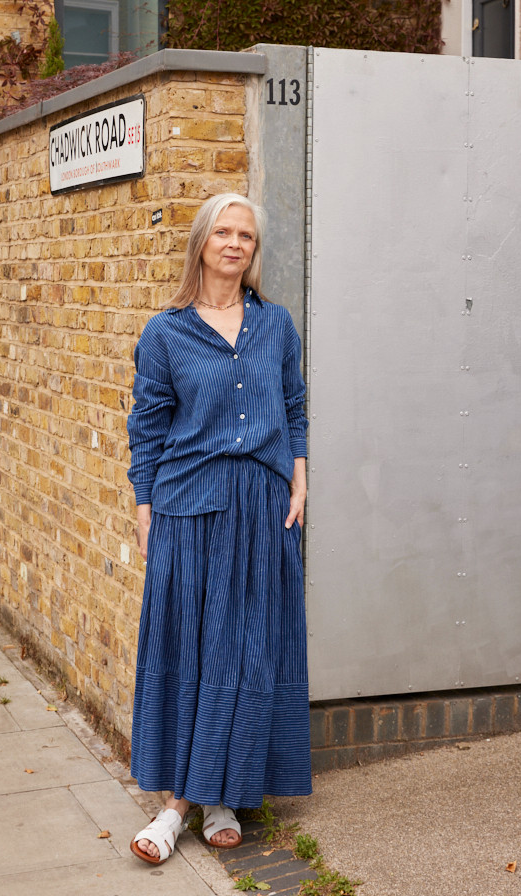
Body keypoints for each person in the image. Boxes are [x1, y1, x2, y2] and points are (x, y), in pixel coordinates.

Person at [126, 192, 311, 864]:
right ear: (201, 242)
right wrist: (145, 513)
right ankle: (176, 805)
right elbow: (145, 430)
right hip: (187, 509)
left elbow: (293, 406)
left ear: (254, 252)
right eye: (224, 232)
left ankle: (223, 796)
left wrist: (300, 478)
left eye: (247, 237)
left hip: (262, 512)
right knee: (189, 652)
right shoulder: (166, 333)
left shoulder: (276, 326)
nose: (235, 244)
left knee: (247, 652)